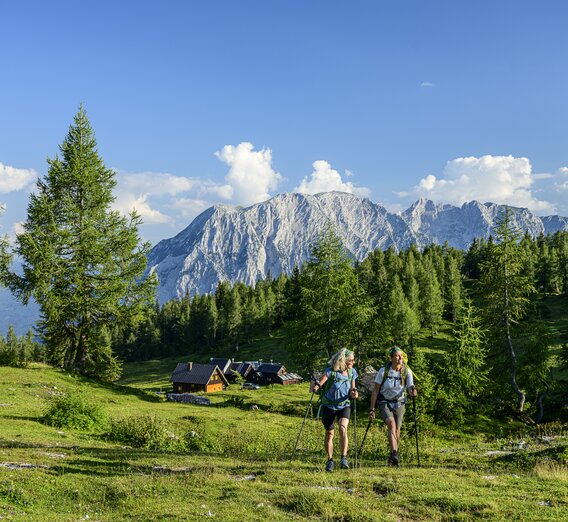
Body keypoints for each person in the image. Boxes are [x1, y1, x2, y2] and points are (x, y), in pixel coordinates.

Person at [369, 346, 417, 466]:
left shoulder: (406, 371)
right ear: (391, 358)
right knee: (391, 424)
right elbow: (375, 390)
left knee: (397, 429)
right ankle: (395, 453)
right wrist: (372, 408)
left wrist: (412, 391)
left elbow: (410, 387)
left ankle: (392, 457)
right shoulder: (383, 371)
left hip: (400, 402)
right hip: (384, 401)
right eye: (397, 355)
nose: (401, 357)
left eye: (401, 355)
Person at [313, 348, 359, 472]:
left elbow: (352, 389)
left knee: (343, 428)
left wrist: (354, 393)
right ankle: (330, 460)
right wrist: (316, 387)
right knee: (329, 434)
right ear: (343, 360)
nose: (353, 362)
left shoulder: (352, 372)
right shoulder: (331, 372)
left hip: (344, 405)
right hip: (328, 406)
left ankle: (344, 458)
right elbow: (320, 383)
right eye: (351, 360)